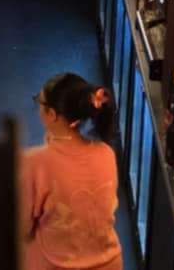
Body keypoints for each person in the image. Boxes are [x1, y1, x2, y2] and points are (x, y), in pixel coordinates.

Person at [21, 73, 122, 270]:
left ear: (51, 114)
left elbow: (21, 228)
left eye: (39, 102)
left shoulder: (36, 163)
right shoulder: (106, 154)